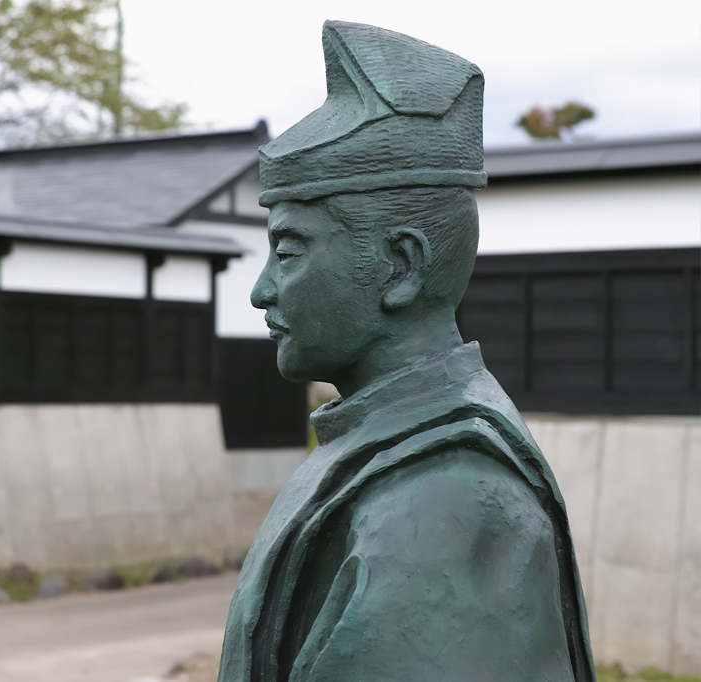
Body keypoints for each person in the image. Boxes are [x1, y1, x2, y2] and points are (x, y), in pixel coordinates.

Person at [217, 21, 595, 682]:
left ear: (401, 266)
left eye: (288, 251)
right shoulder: (388, 450)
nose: (261, 291)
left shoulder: (444, 500)